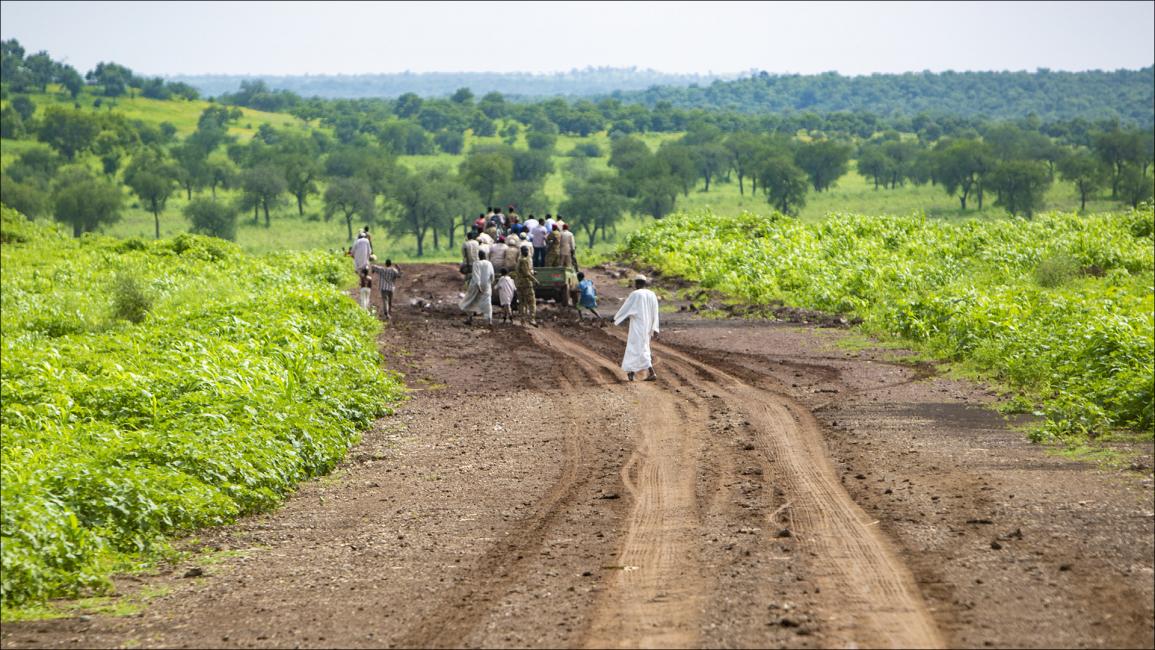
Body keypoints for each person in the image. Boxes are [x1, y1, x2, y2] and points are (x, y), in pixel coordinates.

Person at [613, 275, 660, 382]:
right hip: (647, 326)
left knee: (634, 347)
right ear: (645, 283)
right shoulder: (652, 294)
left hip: (638, 325)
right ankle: (650, 372)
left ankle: (632, 372)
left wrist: (615, 318)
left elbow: (626, 309)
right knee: (643, 347)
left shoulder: (635, 294)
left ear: (637, 283)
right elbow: (655, 312)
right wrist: (655, 327)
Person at [459, 250, 495, 326]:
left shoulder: (476, 263)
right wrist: (490, 283)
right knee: (487, 303)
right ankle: (489, 321)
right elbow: (492, 275)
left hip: (476, 286)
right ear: (485, 255)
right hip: (487, 286)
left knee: (471, 301)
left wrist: (478, 286)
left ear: (478, 256)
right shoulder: (489, 263)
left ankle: (470, 319)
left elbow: (476, 276)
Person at [514, 244, 540, 326]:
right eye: (526, 251)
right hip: (526, 284)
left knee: (522, 302)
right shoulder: (524, 260)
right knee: (532, 302)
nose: (526, 252)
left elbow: (523, 272)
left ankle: (522, 320)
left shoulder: (519, 261)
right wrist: (535, 280)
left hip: (519, 284)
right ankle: (532, 319)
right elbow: (526, 273)